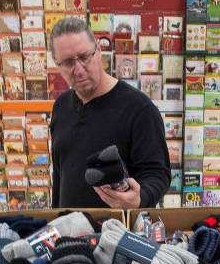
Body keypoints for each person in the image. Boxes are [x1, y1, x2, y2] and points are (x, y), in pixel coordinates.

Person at [48, 16, 170, 209]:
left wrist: (140, 199)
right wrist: (54, 219)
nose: (78, 70)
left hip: (117, 235)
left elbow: (157, 174)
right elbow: (60, 175)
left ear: (99, 50)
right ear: (57, 64)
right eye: (68, 62)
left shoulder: (139, 109)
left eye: (84, 57)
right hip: (68, 234)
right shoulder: (61, 107)